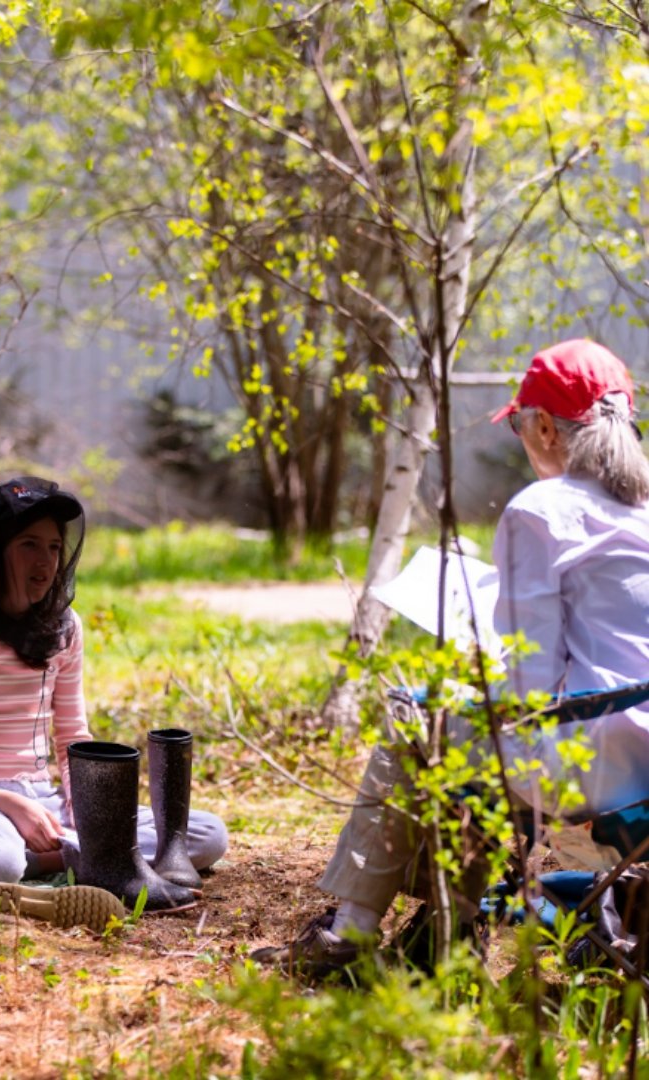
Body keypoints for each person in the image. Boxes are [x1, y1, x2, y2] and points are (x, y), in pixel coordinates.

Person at [253, 338, 649, 978]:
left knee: (419, 716)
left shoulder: (540, 511)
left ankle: (350, 935)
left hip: (592, 765)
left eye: (522, 423)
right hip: (646, 759)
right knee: (459, 725)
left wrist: (475, 663)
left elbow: (528, 688)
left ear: (544, 425)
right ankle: (442, 932)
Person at [0, 476, 229, 914]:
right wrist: (5, 803)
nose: (46, 561)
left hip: (43, 800)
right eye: (28, 545)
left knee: (201, 836)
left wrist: (86, 810)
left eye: (54, 547)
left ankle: (40, 862)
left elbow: (73, 736)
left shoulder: (65, 627)